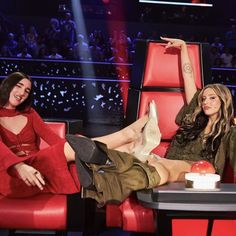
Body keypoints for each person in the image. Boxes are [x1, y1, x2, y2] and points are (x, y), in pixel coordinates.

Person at [65, 37, 236, 205]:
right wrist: (183, 48)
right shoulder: (195, 117)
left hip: (198, 171)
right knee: (145, 158)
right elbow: (189, 77)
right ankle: (91, 166)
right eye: (204, 98)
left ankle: (102, 164)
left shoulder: (229, 131)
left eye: (212, 98)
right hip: (170, 164)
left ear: (224, 100)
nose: (206, 102)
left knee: (156, 162)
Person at [0, 72, 163, 199]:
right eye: (19, 86)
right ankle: (129, 138)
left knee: (79, 157)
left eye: (27, 90)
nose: (22, 92)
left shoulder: (30, 114)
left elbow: (54, 140)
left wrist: (77, 145)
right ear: (8, 85)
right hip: (11, 177)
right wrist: (19, 166)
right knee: (78, 153)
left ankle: (129, 148)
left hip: (40, 169)